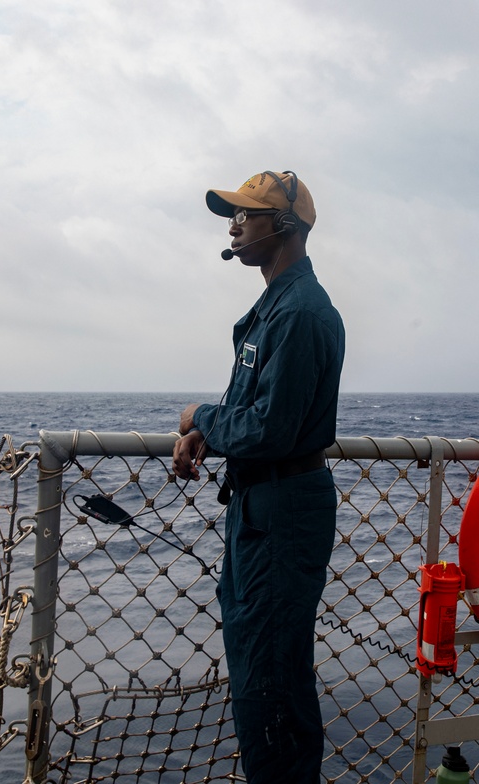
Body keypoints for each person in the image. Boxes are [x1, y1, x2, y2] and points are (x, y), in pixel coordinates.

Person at [172, 170, 345, 783]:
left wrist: (201, 416)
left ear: (287, 226)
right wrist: (205, 434)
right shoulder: (276, 307)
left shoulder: (299, 314)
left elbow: (270, 429)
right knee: (257, 661)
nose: (234, 224)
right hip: (260, 509)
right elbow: (256, 405)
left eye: (248, 213)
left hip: (282, 511)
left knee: (268, 681)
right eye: (233, 214)